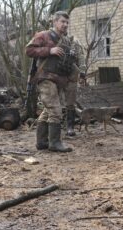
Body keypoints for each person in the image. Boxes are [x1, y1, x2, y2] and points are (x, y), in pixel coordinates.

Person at [25, 11, 83, 152]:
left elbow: (69, 62)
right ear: (55, 22)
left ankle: (42, 142)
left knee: (48, 111)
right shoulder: (43, 36)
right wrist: (49, 50)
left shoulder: (67, 40)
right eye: (62, 21)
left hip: (59, 80)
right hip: (45, 78)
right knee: (56, 110)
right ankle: (55, 143)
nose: (65, 25)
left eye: (67, 22)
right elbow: (29, 50)